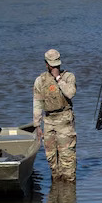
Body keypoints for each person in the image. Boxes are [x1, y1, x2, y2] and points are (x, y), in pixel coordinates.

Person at [32, 49, 77, 182]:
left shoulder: (68, 77)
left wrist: (58, 78)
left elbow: (70, 93)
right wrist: (37, 125)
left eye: (56, 65)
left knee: (67, 160)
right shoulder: (40, 80)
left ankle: (68, 197)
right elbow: (37, 103)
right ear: (46, 64)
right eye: (52, 65)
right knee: (52, 161)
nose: (54, 68)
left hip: (65, 120)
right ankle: (57, 191)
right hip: (48, 121)